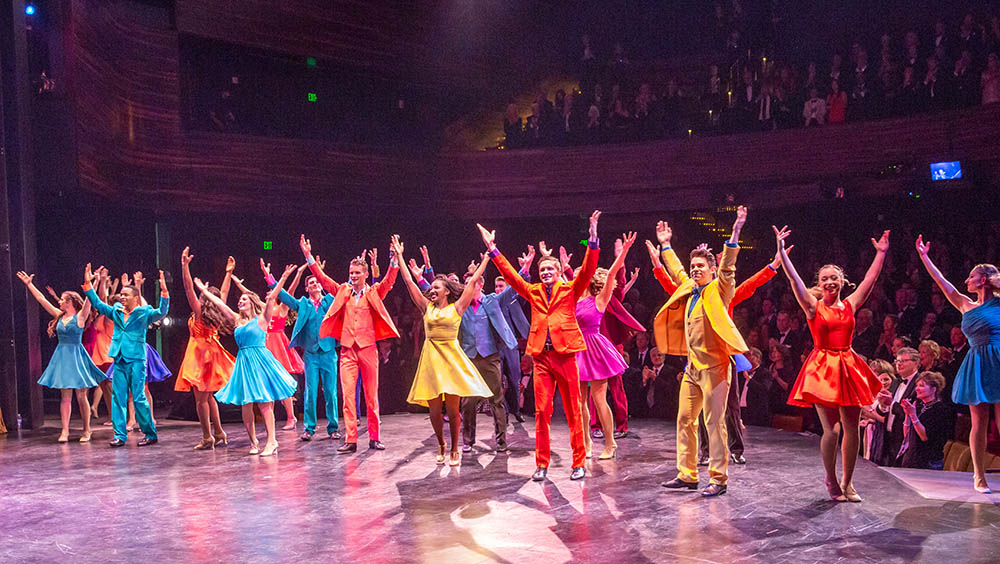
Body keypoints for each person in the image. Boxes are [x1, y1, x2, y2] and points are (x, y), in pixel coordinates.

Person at [477, 210, 603, 482]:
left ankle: (578, 462)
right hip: (542, 359)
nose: (545, 272)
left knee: (573, 409)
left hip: (566, 355)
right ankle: (542, 464)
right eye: (542, 269)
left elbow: (589, 270)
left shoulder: (570, 289)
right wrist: (493, 249)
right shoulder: (532, 291)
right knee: (541, 411)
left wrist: (593, 240)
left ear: (559, 272)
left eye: (550, 269)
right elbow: (511, 277)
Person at [774, 226, 889, 502]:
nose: (829, 282)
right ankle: (831, 478)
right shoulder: (813, 307)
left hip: (847, 364)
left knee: (852, 427)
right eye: (824, 278)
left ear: (841, 281)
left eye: (834, 278)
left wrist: (881, 254)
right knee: (833, 429)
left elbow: (870, 281)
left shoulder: (850, 305)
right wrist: (781, 253)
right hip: (823, 366)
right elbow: (795, 282)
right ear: (820, 282)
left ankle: (849, 482)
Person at [656, 206, 749, 498]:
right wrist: (666, 245)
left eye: (701, 266)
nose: (695, 269)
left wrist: (734, 234)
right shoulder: (689, 288)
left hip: (717, 367)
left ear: (711, 270)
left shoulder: (719, 289)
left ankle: (719, 478)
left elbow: (729, 268)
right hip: (693, 369)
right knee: (685, 419)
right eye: (693, 266)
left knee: (714, 422)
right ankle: (687, 474)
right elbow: (677, 270)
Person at [393, 236, 494, 466]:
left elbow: (473, 282)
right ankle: (441, 443)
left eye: (436, 287)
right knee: (435, 411)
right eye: (431, 288)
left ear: (447, 291)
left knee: (453, 407)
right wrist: (398, 256)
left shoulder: (457, 307)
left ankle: (455, 447)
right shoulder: (425, 307)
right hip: (431, 361)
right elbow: (409, 282)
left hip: (451, 360)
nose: (432, 290)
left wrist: (488, 255)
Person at [916, 235, 1000, 493]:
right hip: (977, 362)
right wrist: (925, 258)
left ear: (983, 280)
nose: (966, 281)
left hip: (998, 358)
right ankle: (979, 476)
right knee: (979, 422)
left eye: (971, 277)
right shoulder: (965, 304)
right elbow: (942, 282)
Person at [301, 234, 399, 453]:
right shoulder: (343, 291)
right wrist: (308, 256)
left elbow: (389, 281)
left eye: (357, 273)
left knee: (371, 396)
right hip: (347, 351)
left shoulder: (373, 292)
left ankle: (374, 437)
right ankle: (351, 439)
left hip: (368, 349)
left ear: (365, 275)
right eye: (351, 273)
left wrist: (394, 259)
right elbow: (324, 279)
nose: (353, 276)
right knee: (347, 396)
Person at [200, 265, 298, 456]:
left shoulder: (263, 318)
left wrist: (284, 276)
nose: (240, 301)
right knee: (246, 404)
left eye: (244, 299)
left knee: (264, 401)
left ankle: (272, 441)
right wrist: (204, 292)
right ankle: (253, 443)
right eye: (240, 300)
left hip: (261, 361)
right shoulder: (237, 320)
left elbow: (272, 297)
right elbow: (221, 306)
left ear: (252, 302)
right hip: (244, 363)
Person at [81, 264, 169, 447]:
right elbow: (97, 304)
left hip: (136, 359)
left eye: (126, 294)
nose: (122, 297)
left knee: (138, 397)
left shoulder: (143, 313)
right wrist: (89, 285)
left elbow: (161, 312)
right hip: (119, 358)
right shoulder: (115, 312)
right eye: (121, 294)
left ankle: (150, 433)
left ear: (135, 298)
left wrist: (164, 292)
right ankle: (119, 435)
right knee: (117, 397)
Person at [17, 271, 104, 442]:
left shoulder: (80, 317)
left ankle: (87, 430)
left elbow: (89, 300)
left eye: (63, 299)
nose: (60, 301)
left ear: (70, 302)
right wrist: (29, 285)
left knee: (81, 396)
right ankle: (65, 431)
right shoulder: (59, 315)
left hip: (77, 356)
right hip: (62, 357)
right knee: (65, 397)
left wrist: (94, 281)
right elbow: (42, 299)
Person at [576, 231, 637, 460]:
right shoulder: (577, 298)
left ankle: (610, 443)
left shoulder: (600, 299)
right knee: (580, 402)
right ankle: (586, 442)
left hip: (595, 349)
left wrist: (624, 253)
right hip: (578, 349)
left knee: (599, 397)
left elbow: (612, 273)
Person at [265, 260, 342, 442]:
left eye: (316, 282)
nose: (314, 284)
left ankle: (333, 428)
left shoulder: (331, 300)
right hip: (311, 354)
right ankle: (309, 428)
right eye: (310, 283)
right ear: (307, 289)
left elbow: (342, 293)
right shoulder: (303, 304)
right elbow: (284, 296)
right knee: (310, 391)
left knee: (331, 391)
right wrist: (270, 278)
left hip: (329, 351)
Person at [175, 247, 235, 450]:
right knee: (208, 398)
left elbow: (187, 287)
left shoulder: (200, 313)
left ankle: (207, 436)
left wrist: (185, 267)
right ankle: (218, 432)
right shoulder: (217, 312)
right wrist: (228, 273)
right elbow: (224, 293)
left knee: (201, 400)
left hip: (200, 356)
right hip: (211, 355)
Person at [250, 260, 305, 431]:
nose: (269, 295)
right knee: (267, 385)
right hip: (265, 346)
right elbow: (249, 295)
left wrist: (298, 274)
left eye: (272, 293)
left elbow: (290, 291)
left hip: (279, 345)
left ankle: (291, 417)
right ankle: (270, 420)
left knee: (282, 384)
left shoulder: (281, 309)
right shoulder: (262, 310)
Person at [896, 371, 950, 469]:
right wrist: (907, 414)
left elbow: (925, 437)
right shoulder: (919, 406)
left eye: (921, 386)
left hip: (928, 461)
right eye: (917, 385)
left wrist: (913, 415)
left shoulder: (940, 409)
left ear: (933, 389)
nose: (916, 389)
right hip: (912, 457)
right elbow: (907, 435)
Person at [860, 359, 895, 465]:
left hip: (884, 436)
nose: (873, 374)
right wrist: (869, 419)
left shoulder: (891, 394)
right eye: (872, 370)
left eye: (876, 371)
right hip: (871, 433)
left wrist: (871, 413)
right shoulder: (874, 390)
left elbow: (887, 419)